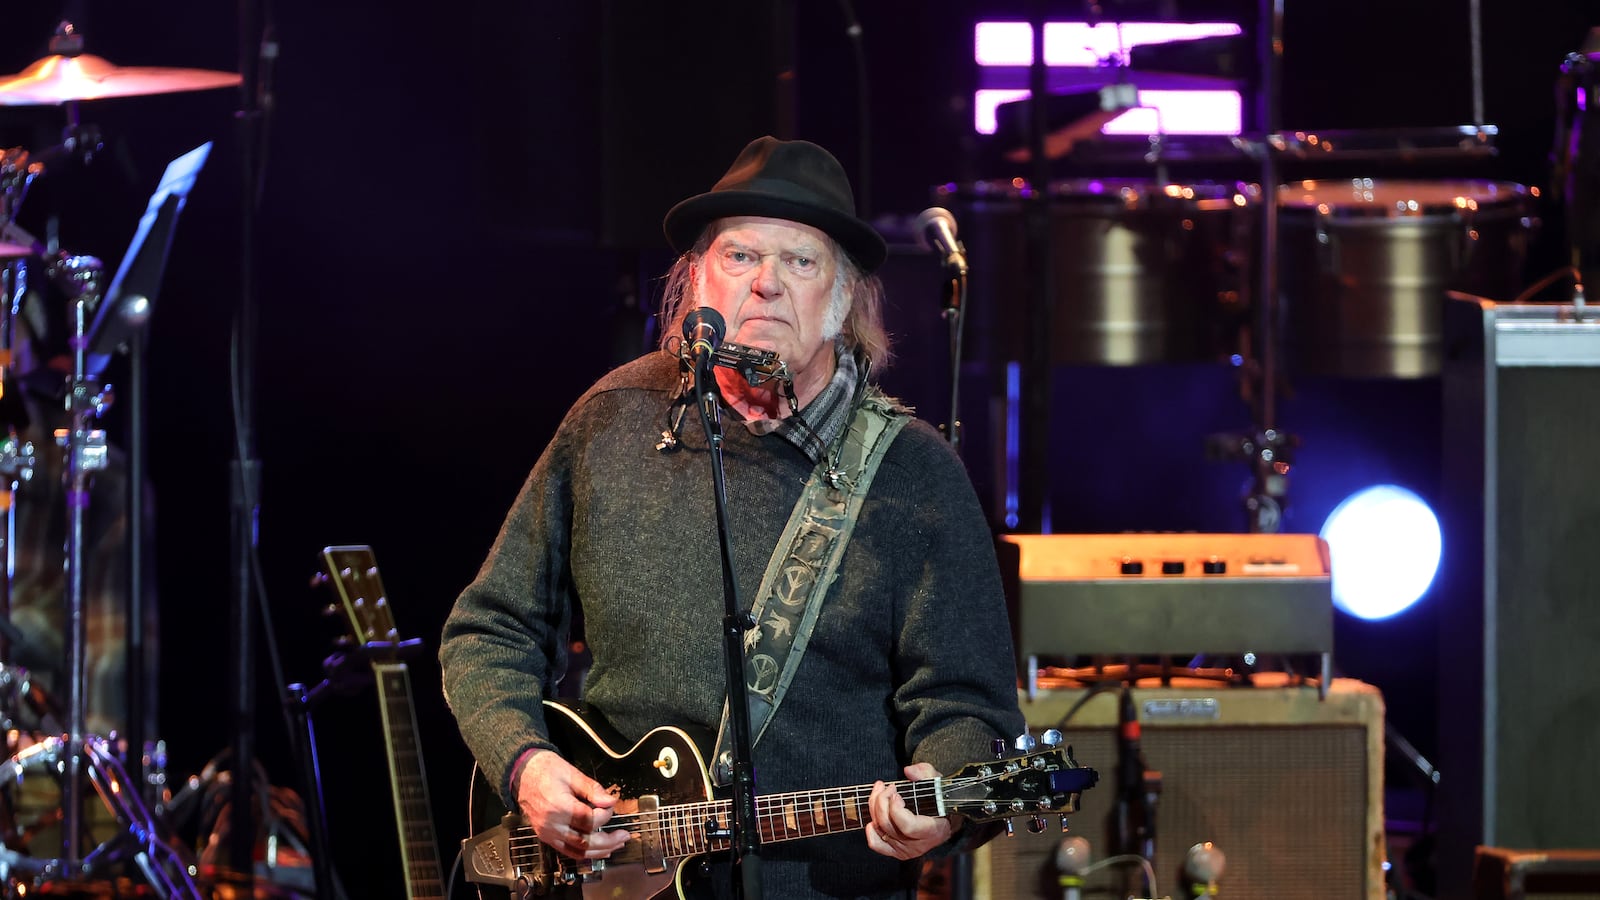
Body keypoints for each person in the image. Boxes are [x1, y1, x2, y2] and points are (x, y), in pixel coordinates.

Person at [440, 136, 1025, 898]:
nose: (768, 286)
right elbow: (490, 629)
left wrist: (944, 798)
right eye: (741, 257)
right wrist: (527, 764)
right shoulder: (611, 420)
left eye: (800, 262)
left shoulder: (916, 475)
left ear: (844, 298)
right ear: (696, 280)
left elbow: (969, 707)